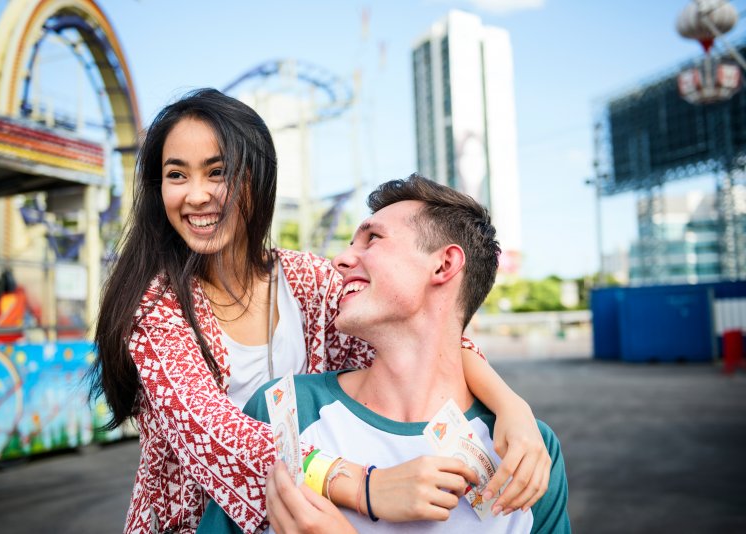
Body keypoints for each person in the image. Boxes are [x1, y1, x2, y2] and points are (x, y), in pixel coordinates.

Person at [89, 89, 552, 534]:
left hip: (318, 519)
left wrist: (513, 408)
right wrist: (368, 486)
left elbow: (431, 339)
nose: (195, 195)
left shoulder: (307, 279)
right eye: (176, 175)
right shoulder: (154, 306)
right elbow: (214, 435)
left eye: (217, 172)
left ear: (257, 177)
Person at [199, 174, 569, 533]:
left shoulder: (526, 452)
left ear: (443, 265)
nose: (340, 260)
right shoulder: (283, 410)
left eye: (372, 239)